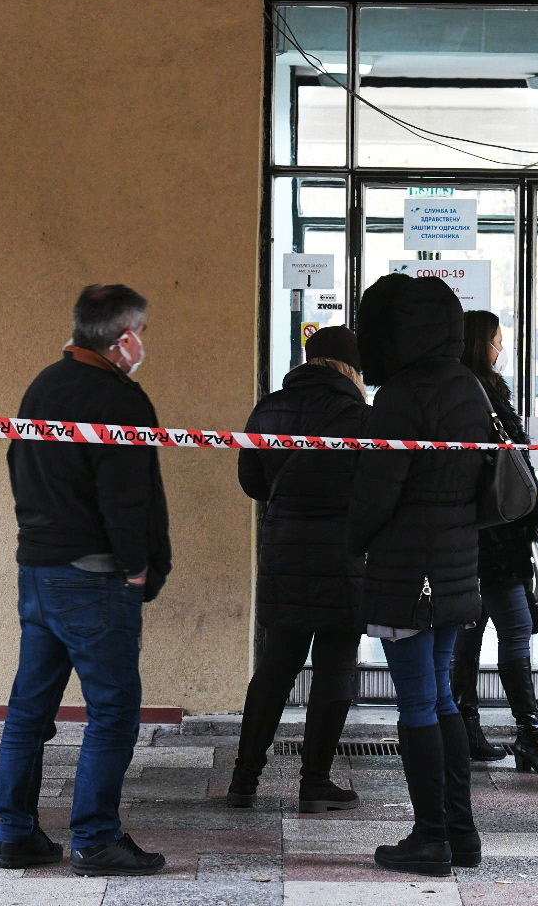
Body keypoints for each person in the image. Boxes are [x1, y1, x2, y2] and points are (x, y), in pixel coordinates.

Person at [0, 285, 172, 878]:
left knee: (29, 711)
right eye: (141, 331)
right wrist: (138, 563)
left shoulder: (44, 385)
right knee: (113, 712)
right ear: (123, 339)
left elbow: (18, 466)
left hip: (38, 570)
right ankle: (96, 840)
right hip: (94, 576)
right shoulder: (118, 399)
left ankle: (15, 834)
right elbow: (127, 495)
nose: (143, 342)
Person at [348, 273, 491, 878]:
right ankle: (461, 832)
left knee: (417, 704)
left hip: (409, 571)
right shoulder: (467, 385)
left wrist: (351, 542)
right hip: (455, 566)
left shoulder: (403, 395)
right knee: (441, 698)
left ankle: (431, 836)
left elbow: (378, 490)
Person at [227, 326, 368, 813]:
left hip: (284, 551)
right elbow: (374, 487)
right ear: (351, 367)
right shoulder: (360, 416)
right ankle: (315, 783)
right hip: (342, 556)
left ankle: (244, 780)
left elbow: (252, 481)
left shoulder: (270, 409)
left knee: (275, 666)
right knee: (335, 669)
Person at [448, 310, 538, 775]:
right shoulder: (485, 393)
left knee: (471, 633)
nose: (502, 347)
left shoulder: (461, 390)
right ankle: (529, 735)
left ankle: (468, 728)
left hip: (473, 534)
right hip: (498, 536)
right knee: (515, 628)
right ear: (484, 344)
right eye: (498, 340)